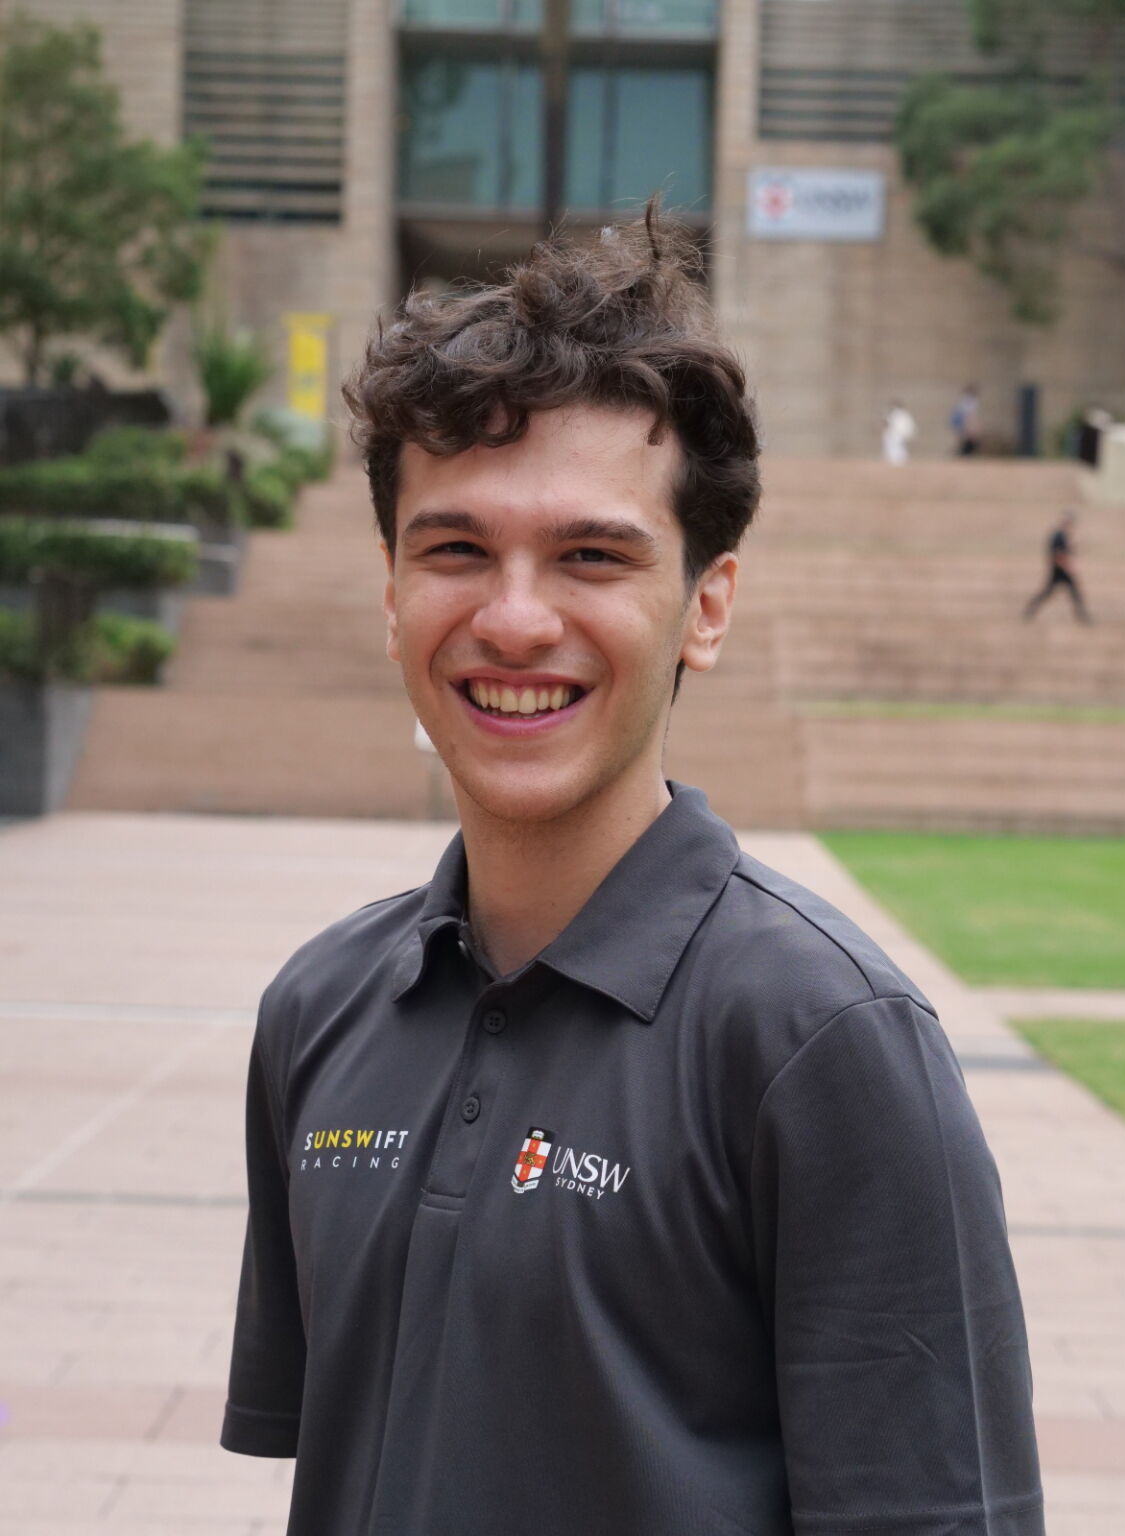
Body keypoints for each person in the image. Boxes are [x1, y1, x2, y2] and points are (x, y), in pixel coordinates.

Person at [221, 206, 1044, 1536]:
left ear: (705, 607)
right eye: (455, 549)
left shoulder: (825, 1044)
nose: (514, 619)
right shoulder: (319, 1010)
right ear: (390, 591)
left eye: (592, 556)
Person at [1023, 510, 1091, 622]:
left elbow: (1064, 551)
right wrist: (1067, 567)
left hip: (1060, 570)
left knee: (1071, 593)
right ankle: (1083, 617)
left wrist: (1073, 548)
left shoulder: (1061, 536)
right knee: (1057, 593)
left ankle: (1083, 617)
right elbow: (1057, 554)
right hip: (1059, 570)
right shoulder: (1058, 536)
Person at [882, 398, 916, 464]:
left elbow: (888, 422)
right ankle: (898, 460)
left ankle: (897, 460)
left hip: (897, 434)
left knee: (896, 447)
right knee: (898, 447)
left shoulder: (897, 413)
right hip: (898, 433)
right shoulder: (903, 414)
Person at [951, 383, 981, 455]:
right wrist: (971, 426)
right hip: (962, 418)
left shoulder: (966, 399)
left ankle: (962, 452)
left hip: (960, 418)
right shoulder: (971, 400)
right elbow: (968, 414)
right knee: (966, 436)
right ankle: (963, 452)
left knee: (963, 436)